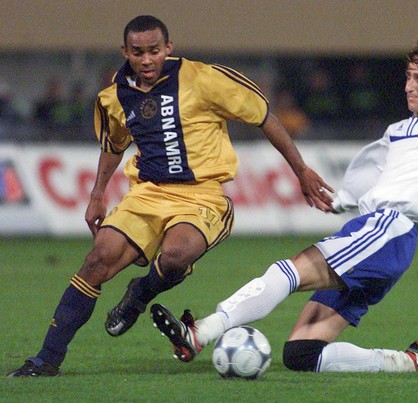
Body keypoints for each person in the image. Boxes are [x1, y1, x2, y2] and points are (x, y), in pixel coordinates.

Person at [150, 21, 418, 374]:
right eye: (408, 78)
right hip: (380, 237)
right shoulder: (399, 130)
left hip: (389, 229)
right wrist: (340, 200)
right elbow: (367, 172)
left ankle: (202, 332)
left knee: (288, 270)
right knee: (302, 355)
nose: (410, 87)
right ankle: (411, 362)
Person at [6, 15, 332, 378]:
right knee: (98, 260)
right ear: (125, 52)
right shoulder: (114, 95)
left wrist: (300, 169)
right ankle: (46, 360)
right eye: (138, 52)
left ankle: (139, 296)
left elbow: (264, 116)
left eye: (154, 51)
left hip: (203, 197)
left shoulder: (204, 79)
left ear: (169, 48)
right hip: (147, 194)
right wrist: (97, 194)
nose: (147, 60)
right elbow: (113, 144)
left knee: (176, 255)